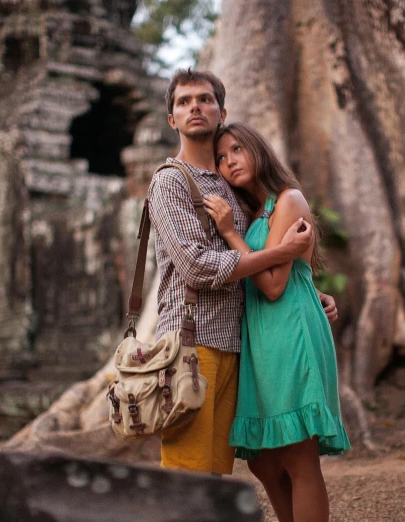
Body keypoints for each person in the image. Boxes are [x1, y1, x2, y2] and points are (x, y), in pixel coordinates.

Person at [147, 68, 339, 476]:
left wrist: (307, 292)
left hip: (238, 347)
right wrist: (279, 254)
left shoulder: (229, 183)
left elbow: (263, 250)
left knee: (218, 477)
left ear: (222, 111)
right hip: (191, 342)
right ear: (172, 119)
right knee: (188, 475)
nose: (194, 107)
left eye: (204, 99)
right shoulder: (170, 183)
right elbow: (197, 267)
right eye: (183, 102)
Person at [204, 122, 350, 522]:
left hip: (289, 332)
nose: (229, 161)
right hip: (262, 336)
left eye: (236, 149)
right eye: (220, 158)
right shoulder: (256, 210)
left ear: (257, 150)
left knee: (299, 459)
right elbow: (288, 267)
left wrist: (231, 234)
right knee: (264, 464)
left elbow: (272, 284)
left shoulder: (288, 199)